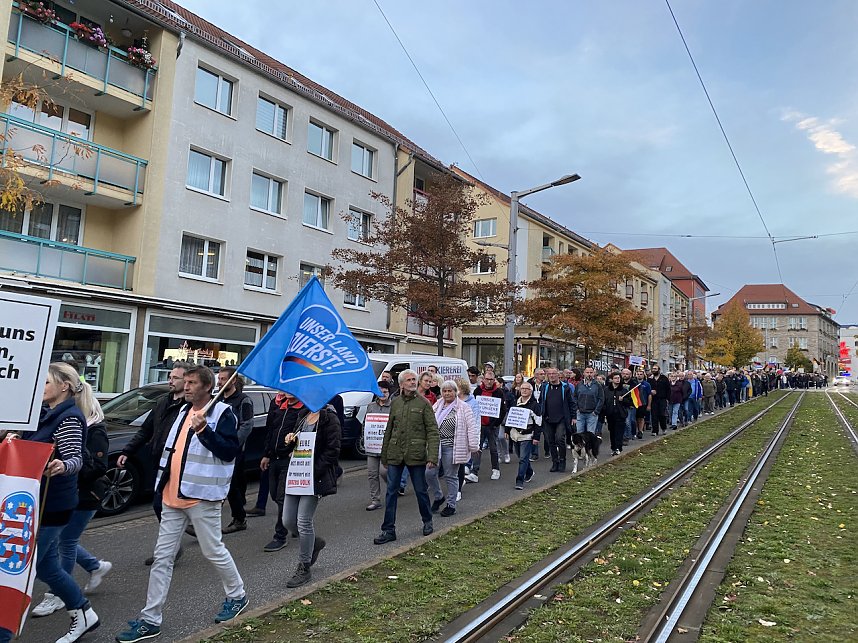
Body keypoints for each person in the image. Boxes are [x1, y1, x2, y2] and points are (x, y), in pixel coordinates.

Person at [116, 366, 246, 642]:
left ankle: (237, 595)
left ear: (207, 387)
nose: (185, 387)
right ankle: (151, 619)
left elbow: (230, 452)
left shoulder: (222, 413)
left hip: (201, 496)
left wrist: (206, 432)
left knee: (213, 551)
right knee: (162, 558)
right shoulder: (183, 412)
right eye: (184, 382)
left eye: (191, 383)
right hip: (172, 495)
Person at [6, 363, 99, 643]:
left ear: (64, 386)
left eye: (46, 382)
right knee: (47, 569)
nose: (41, 387)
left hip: (52, 505)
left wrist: (61, 466)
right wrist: (14, 440)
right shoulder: (44, 414)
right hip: (38, 502)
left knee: (21, 570)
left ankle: (4, 631)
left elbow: (75, 459)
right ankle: (84, 614)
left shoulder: (68, 418)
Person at [32, 394, 111, 619]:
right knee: (59, 545)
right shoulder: (54, 421)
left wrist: (68, 467)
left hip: (86, 496)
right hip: (72, 494)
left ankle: (58, 596)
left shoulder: (92, 429)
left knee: (64, 543)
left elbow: (95, 467)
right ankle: (93, 567)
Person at [118, 363, 189, 565]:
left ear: (186, 381)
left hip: (176, 463)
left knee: (163, 505)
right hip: (158, 462)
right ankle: (171, 547)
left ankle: (169, 550)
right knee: (160, 506)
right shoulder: (162, 402)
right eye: (170, 376)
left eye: (175, 378)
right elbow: (145, 430)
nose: (170, 380)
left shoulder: (189, 407)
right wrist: (128, 451)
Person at [277, 395, 340, 588]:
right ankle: (314, 542)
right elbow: (297, 444)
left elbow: (333, 450)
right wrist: (290, 441)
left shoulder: (330, 418)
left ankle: (304, 566)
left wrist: (314, 471)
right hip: (296, 475)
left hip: (314, 477)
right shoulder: (303, 415)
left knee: (303, 521)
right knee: (288, 521)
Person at [374, 370, 439, 545]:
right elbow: (389, 429)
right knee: (391, 492)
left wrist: (432, 455)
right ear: (401, 384)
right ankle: (388, 530)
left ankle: (427, 521)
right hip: (396, 453)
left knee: (420, 491)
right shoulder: (395, 403)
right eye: (409, 380)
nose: (412, 382)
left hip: (416, 454)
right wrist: (385, 455)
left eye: (414, 380)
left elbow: (433, 431)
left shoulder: (424, 403)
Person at [260, 392, 304, 552]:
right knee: (274, 495)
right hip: (274, 459)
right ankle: (296, 521)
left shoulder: (303, 410)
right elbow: (271, 431)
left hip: (289, 460)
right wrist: (266, 454)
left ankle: (280, 536)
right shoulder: (279, 407)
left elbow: (306, 434)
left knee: (281, 498)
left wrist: (295, 449)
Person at [431, 381, 478, 517]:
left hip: (453, 446)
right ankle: (439, 496)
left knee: (450, 476)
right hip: (436, 445)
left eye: (450, 391)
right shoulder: (437, 405)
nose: (447, 393)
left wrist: (474, 446)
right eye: (444, 391)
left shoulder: (463, 407)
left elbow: (471, 426)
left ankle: (451, 505)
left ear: (455, 392)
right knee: (429, 474)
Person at [219, 366, 255, 535]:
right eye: (219, 379)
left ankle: (239, 519)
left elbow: (246, 425)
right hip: (218, 447)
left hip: (234, 450)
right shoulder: (218, 400)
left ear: (233, 381)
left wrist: (233, 444)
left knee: (231, 485)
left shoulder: (243, 400)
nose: (219, 382)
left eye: (223, 379)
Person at [466, 370, 507, 482]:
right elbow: (473, 406)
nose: (489, 382)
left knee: (493, 449)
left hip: (492, 426)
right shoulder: (478, 391)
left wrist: (495, 424)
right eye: (487, 379)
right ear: (483, 379)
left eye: (491, 379)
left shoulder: (499, 392)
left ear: (494, 380)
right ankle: (474, 471)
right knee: (477, 448)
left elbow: (502, 410)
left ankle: (495, 469)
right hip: (479, 425)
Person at [537, 368, 576, 473]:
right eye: (549, 374)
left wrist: (573, 417)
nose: (551, 376)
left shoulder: (565, 387)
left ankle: (562, 460)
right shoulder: (545, 387)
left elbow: (572, 403)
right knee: (550, 441)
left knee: (560, 439)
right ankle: (555, 462)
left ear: (558, 375)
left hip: (562, 418)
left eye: (554, 373)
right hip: (548, 418)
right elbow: (541, 401)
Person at [365, 381, 393, 511]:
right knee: (372, 473)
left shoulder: (394, 406)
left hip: (386, 447)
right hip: (372, 446)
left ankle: (393, 487)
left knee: (384, 471)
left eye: (385, 391)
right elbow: (366, 424)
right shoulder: (370, 406)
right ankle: (375, 500)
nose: (383, 394)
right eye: (380, 391)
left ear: (389, 392)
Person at [509, 381, 541, 489]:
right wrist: (506, 431)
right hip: (515, 434)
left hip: (527, 435)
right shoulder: (515, 403)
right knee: (521, 457)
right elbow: (511, 417)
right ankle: (530, 471)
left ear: (531, 391)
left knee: (523, 458)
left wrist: (536, 437)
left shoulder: (535, 405)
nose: (524, 390)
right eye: (522, 388)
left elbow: (538, 422)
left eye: (526, 389)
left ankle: (519, 481)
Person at [604, 373, 632, 456]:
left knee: (619, 432)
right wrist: (605, 411)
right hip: (610, 414)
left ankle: (618, 447)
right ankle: (613, 447)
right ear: (612, 379)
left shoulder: (624, 390)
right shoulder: (606, 390)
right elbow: (604, 401)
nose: (617, 380)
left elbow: (630, 402)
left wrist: (623, 400)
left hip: (620, 414)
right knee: (612, 432)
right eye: (615, 378)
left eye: (618, 378)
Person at [572, 367, 603, 436]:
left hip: (592, 414)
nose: (589, 374)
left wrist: (596, 411)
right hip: (580, 413)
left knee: (590, 435)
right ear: (584, 373)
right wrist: (577, 409)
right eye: (587, 372)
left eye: (591, 372)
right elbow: (574, 397)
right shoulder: (579, 385)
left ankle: (589, 447)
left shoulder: (598, 385)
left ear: (594, 374)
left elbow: (601, 399)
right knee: (579, 434)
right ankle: (581, 447)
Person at [647, 365, 671, 435]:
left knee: (662, 414)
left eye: (655, 369)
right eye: (653, 369)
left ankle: (664, 428)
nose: (654, 370)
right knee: (654, 415)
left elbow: (668, 389)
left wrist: (667, 398)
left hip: (662, 399)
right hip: (653, 399)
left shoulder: (664, 378)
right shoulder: (650, 379)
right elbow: (648, 389)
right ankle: (655, 430)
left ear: (659, 370)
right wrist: (651, 391)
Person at [634, 367, 651, 439]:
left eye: (641, 374)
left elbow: (649, 395)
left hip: (643, 403)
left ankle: (640, 431)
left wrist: (649, 405)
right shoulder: (633, 383)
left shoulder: (647, 384)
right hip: (634, 403)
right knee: (634, 418)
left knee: (641, 418)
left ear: (643, 375)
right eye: (638, 374)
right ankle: (634, 431)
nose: (639, 375)